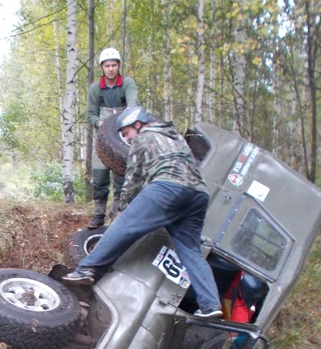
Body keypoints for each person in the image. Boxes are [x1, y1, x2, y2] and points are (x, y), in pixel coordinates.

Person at [63, 106, 223, 319]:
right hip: (198, 195)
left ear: (137, 124)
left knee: (125, 226)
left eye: (127, 133)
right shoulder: (175, 137)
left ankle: (87, 268)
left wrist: (124, 207)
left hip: (168, 186)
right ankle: (211, 304)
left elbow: (133, 178)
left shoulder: (144, 138)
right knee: (190, 251)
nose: (127, 139)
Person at [86, 47, 139, 229]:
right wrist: (101, 124)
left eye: (114, 65)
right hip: (102, 140)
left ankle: (116, 214)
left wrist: (126, 119)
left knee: (121, 179)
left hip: (123, 140)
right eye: (107, 65)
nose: (110, 69)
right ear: (102, 67)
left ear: (118, 66)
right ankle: (98, 214)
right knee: (100, 179)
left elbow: (133, 104)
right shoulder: (95, 89)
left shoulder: (127, 84)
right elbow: (90, 115)